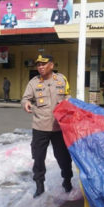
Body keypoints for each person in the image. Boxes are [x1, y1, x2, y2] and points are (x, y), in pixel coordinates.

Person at [21, 54, 73, 198]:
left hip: (59, 127)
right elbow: (25, 98)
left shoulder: (61, 79)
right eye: (38, 64)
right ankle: (39, 185)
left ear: (52, 65)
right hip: (40, 127)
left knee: (63, 157)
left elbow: (67, 96)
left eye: (43, 64)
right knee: (38, 158)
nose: (40, 67)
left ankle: (67, 180)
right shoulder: (33, 82)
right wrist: (26, 103)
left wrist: (70, 104)